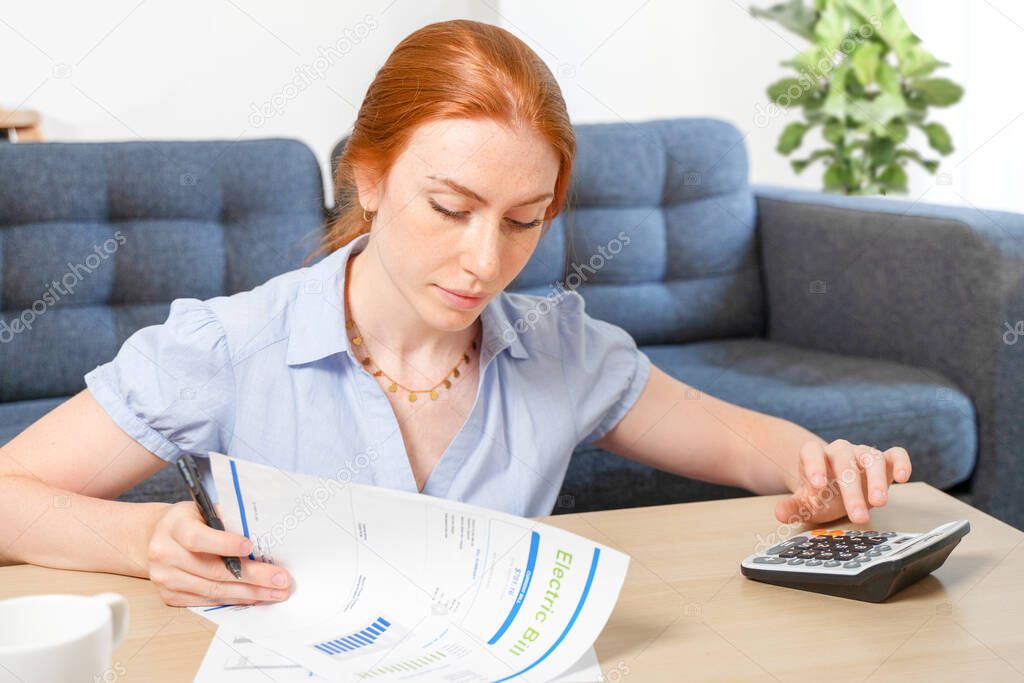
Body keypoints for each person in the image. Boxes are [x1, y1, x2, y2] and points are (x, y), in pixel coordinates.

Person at [0, 19, 911, 608]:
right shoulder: (229, 345)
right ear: (368, 174)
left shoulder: (566, 350)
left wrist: (823, 468)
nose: (486, 262)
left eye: (525, 222)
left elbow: (749, 446)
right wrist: (141, 537)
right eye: (449, 207)